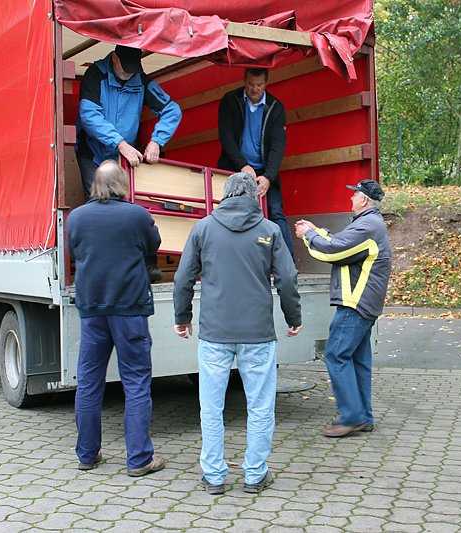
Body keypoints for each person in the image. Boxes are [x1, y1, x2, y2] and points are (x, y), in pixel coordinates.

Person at [173, 172, 302, 494]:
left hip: (214, 332)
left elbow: (183, 277)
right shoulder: (270, 230)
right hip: (257, 332)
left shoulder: (203, 228)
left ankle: (214, 476)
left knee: (211, 407)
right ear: (254, 197)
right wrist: (293, 317)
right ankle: (255, 475)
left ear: (225, 195)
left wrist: (182, 316)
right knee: (260, 406)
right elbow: (287, 278)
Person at [66, 160, 165, 477]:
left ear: (94, 185)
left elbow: (74, 253)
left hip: (92, 309)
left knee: (89, 381)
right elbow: (154, 245)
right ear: (122, 184)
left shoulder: (76, 218)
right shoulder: (136, 215)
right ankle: (138, 459)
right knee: (136, 381)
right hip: (130, 308)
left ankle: (87, 454)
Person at [294, 179, 392, 438]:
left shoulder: (367, 226)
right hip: (363, 303)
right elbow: (340, 243)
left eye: (354, 194)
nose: (351, 198)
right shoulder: (369, 224)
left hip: (355, 304)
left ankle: (352, 417)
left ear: (364, 199)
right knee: (358, 360)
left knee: (336, 355)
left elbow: (333, 252)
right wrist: (316, 230)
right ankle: (363, 417)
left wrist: (308, 236)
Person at [76, 45, 182, 199]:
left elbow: (172, 110)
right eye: (126, 68)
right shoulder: (95, 74)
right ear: (114, 58)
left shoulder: (141, 80)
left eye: (133, 69)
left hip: (123, 157)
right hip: (92, 153)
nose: (130, 73)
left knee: (121, 202)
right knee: (99, 201)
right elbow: (89, 115)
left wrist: (157, 141)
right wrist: (119, 143)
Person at [216, 68, 295, 260]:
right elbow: (226, 137)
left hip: (264, 170)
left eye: (259, 85)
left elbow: (278, 145)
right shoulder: (230, 100)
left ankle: (288, 263)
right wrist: (243, 165)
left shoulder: (275, 107)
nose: (254, 89)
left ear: (266, 83)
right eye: (251, 84)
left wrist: (268, 177)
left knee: (275, 212)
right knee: (228, 212)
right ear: (244, 81)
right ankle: (227, 260)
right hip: (234, 168)